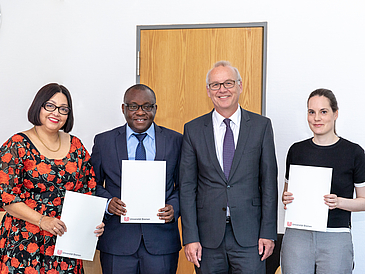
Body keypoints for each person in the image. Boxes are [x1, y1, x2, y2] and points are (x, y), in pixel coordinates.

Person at [179, 60, 278, 273]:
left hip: (251, 237)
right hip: (207, 239)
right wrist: (190, 237)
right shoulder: (193, 129)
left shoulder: (261, 127)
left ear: (240, 86)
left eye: (228, 83)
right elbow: (187, 188)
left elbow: (269, 184)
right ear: (208, 91)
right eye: (215, 85)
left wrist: (268, 232)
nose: (222, 90)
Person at [0, 83, 104, 273]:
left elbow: (88, 190)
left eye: (63, 109)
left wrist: (93, 223)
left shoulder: (76, 145)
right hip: (24, 241)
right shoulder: (16, 144)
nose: (56, 113)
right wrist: (42, 220)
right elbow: (6, 197)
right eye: (50, 106)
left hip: (67, 242)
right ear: (38, 106)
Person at [91, 84, 182, 274]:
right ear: (123, 109)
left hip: (161, 243)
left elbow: (184, 186)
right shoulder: (104, 141)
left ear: (155, 109)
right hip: (117, 243)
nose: (140, 112)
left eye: (147, 106)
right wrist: (108, 203)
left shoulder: (176, 140)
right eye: (133, 106)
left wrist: (174, 207)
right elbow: (92, 184)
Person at [281, 88, 365, 274]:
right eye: (311, 112)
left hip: (336, 237)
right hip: (298, 236)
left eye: (323, 112)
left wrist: (339, 202)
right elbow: (286, 195)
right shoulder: (296, 151)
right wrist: (286, 198)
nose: (316, 118)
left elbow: (364, 200)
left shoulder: (354, 153)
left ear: (335, 114)